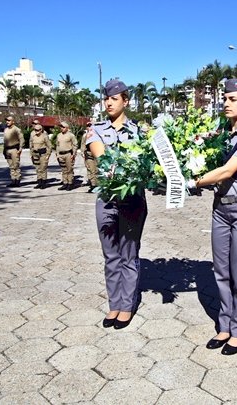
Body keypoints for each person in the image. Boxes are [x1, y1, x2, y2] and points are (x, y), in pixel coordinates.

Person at [187, 78, 237, 356]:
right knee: (221, 271)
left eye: (233, 99)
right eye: (225, 98)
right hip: (220, 209)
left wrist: (193, 182)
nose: (226, 103)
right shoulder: (220, 133)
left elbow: (228, 171)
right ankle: (224, 325)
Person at [87, 79, 148, 330]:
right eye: (106, 98)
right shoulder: (96, 129)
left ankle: (127, 305)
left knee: (128, 255)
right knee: (111, 255)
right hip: (108, 200)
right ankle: (114, 303)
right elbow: (103, 158)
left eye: (114, 98)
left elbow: (146, 162)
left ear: (126, 101)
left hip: (133, 201)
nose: (109, 102)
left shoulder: (140, 133)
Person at [56, 121, 78, 190]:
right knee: (63, 170)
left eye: (63, 127)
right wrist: (57, 154)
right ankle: (65, 183)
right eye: (61, 127)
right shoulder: (59, 135)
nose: (61, 128)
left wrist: (73, 154)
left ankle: (70, 183)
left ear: (67, 128)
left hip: (68, 154)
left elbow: (75, 145)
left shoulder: (71, 135)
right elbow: (57, 145)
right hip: (61, 155)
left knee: (69, 169)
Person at [3, 116, 24, 187]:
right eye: (6, 120)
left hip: (14, 149)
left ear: (13, 121)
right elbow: (5, 141)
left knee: (16, 166)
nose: (7, 122)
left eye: (9, 120)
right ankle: (13, 180)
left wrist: (20, 148)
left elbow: (21, 139)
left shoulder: (16, 129)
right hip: (7, 149)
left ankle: (17, 181)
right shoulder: (6, 129)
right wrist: (4, 150)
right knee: (11, 167)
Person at [29, 123, 51, 189]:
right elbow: (31, 146)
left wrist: (48, 155)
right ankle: (39, 182)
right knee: (37, 169)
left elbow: (49, 146)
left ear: (41, 130)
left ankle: (44, 183)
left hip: (43, 154)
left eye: (38, 130)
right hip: (35, 154)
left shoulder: (45, 136)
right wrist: (31, 154)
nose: (36, 131)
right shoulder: (33, 136)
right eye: (35, 130)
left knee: (43, 168)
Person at [81, 122, 98, 191]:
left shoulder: (98, 134)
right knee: (91, 170)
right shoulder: (85, 135)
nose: (89, 127)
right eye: (88, 126)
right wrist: (83, 153)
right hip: (88, 154)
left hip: (97, 154)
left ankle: (97, 184)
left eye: (91, 126)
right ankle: (93, 185)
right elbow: (82, 144)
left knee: (97, 170)